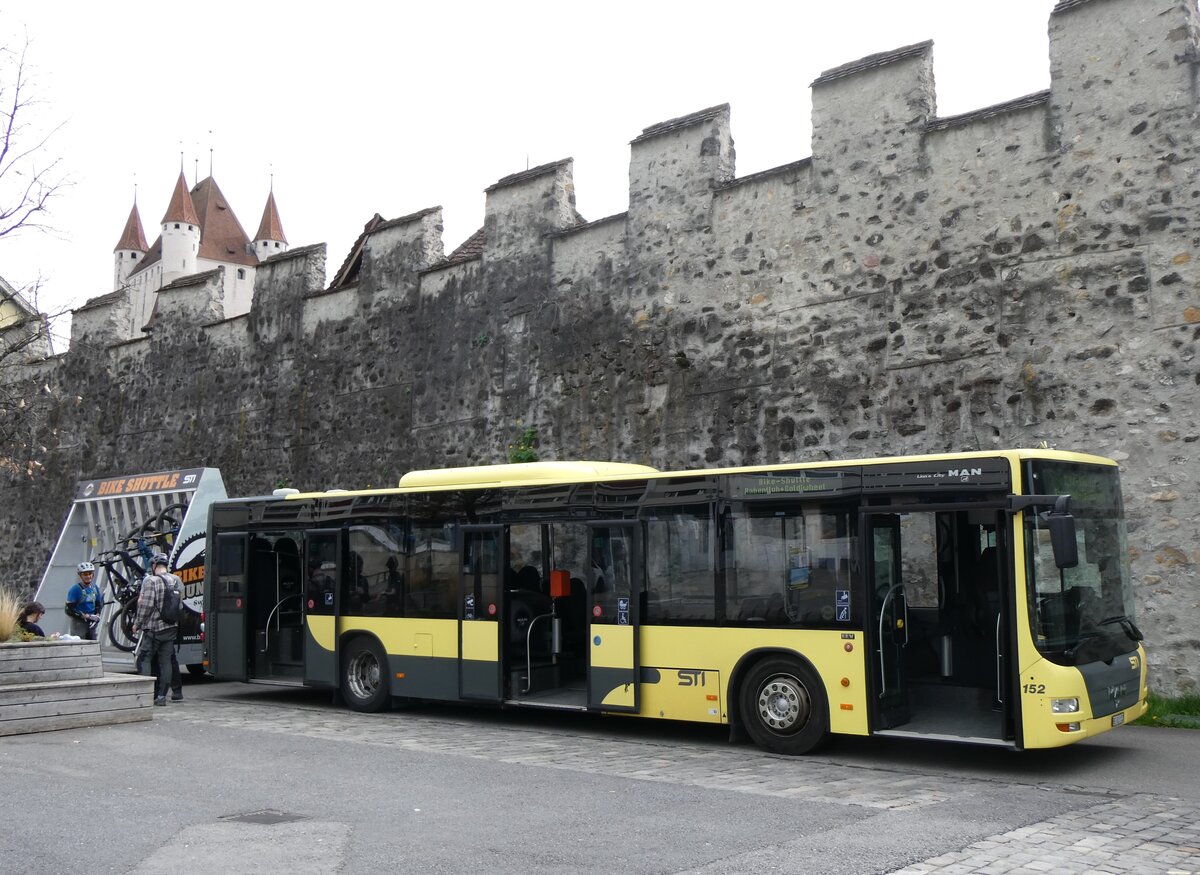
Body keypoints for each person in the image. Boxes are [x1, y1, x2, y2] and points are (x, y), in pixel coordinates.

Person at [132, 553, 183, 706]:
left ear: (154, 566)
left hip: (153, 628)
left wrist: (137, 623)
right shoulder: (176, 580)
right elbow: (179, 605)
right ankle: (162, 697)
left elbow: (145, 606)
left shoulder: (151, 581)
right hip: (171, 628)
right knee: (166, 662)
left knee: (144, 658)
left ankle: (145, 695)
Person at [65, 561, 104, 640]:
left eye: (90, 574)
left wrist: (97, 614)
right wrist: (83, 616)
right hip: (79, 623)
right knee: (79, 644)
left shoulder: (94, 587)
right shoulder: (75, 589)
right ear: (80, 575)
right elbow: (69, 609)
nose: (88, 576)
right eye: (85, 574)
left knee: (92, 644)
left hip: (91, 622)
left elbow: (98, 603)